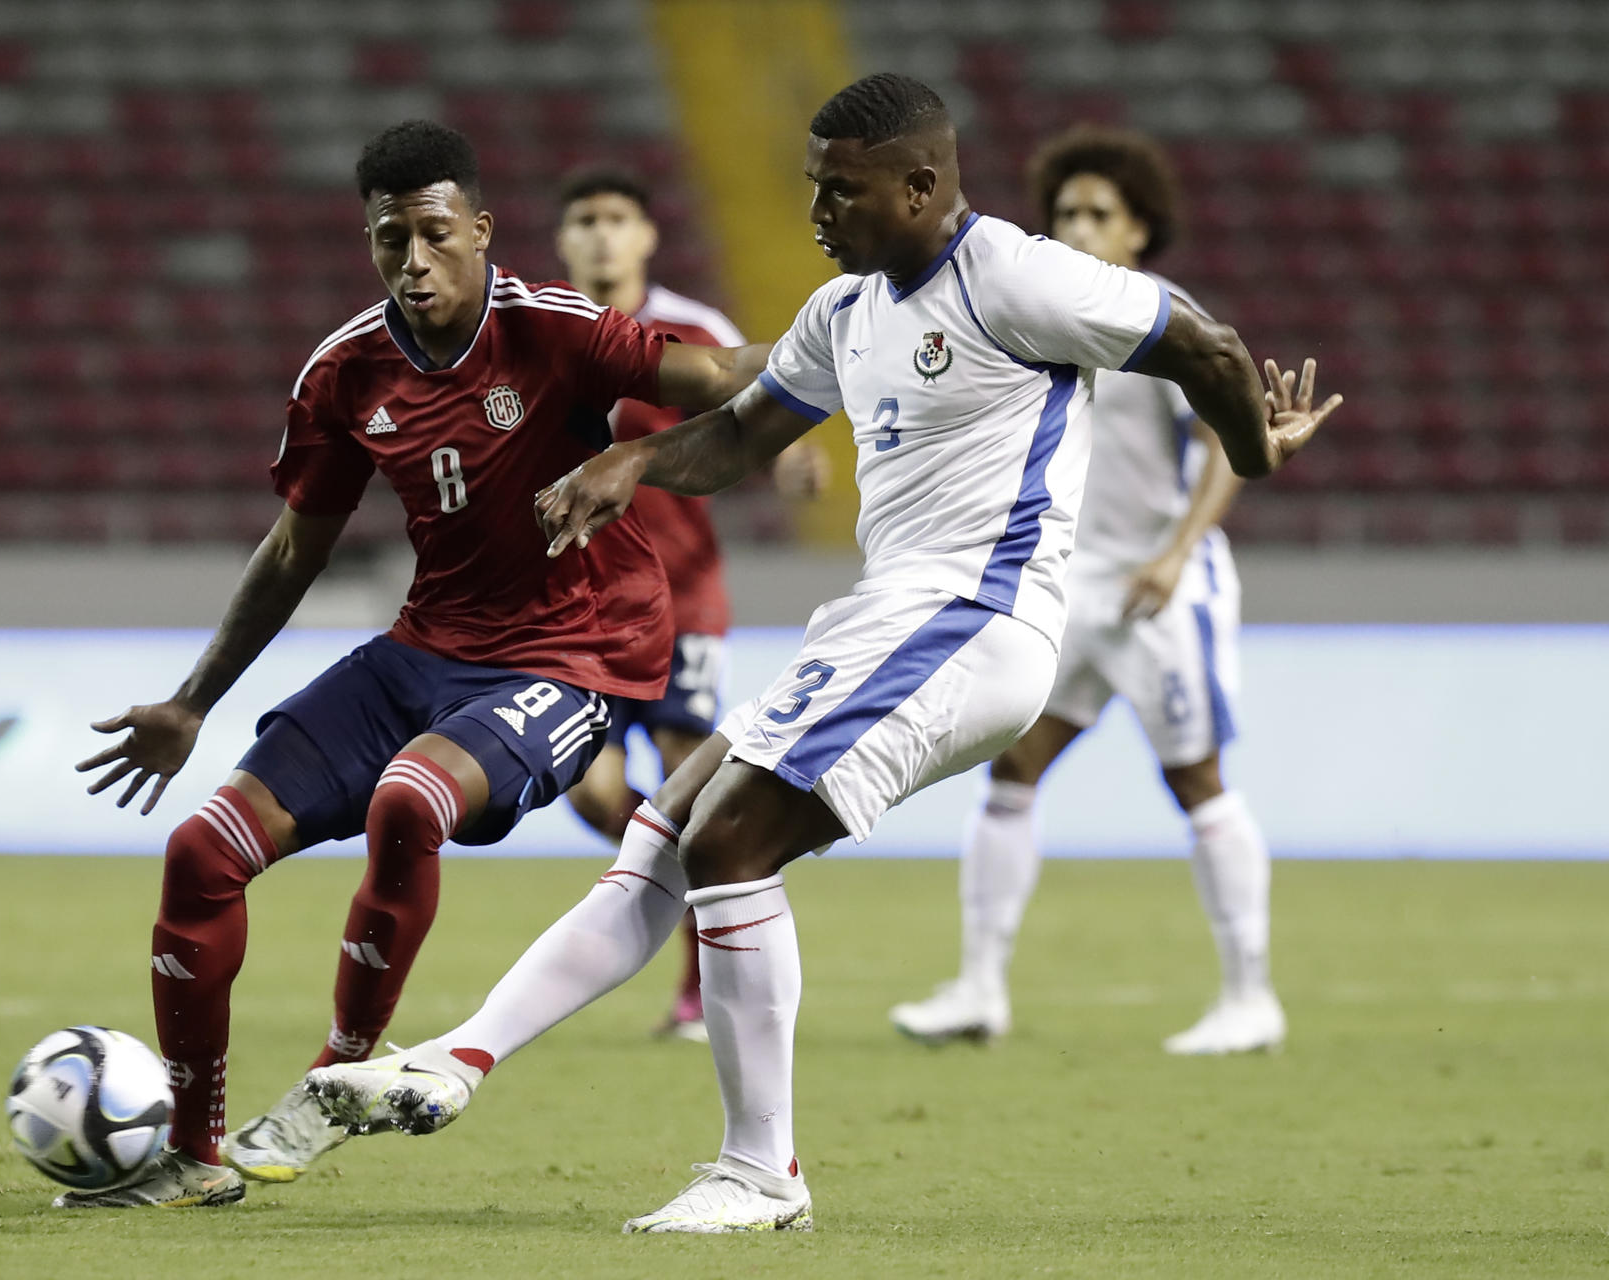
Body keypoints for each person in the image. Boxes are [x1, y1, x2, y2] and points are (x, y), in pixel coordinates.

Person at [305, 74, 1338, 1233]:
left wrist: (1252, 448)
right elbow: (742, 433)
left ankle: (761, 1171)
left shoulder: (1014, 274)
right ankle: (460, 1056)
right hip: (882, 617)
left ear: (923, 183)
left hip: (979, 616)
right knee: (668, 828)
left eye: (841, 192)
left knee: (735, 840)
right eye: (812, 188)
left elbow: (1197, 339)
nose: (818, 214)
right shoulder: (847, 312)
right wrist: (633, 463)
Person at [59, 120, 770, 1208]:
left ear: (481, 232)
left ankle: (336, 1075)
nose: (413, 260)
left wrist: (851, 341)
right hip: (427, 649)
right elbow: (297, 545)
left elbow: (719, 373)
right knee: (201, 849)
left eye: (436, 234)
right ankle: (193, 1155)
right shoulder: (345, 372)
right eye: (390, 239)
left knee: (409, 798)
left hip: (580, 649)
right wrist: (194, 701)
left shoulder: (552, 328)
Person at [890, 126, 1283, 1055]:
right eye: (1064, 210)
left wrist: (1180, 552)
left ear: (1140, 230)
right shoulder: (1042, 311)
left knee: (1197, 781)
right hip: (1070, 589)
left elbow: (1233, 441)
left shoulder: (1162, 314)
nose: (1074, 226)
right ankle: (980, 988)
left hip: (1160, 586)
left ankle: (1250, 996)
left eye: (1097, 212)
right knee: (1013, 770)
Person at [553, 169, 828, 1041]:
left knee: (689, 793)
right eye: (585, 222)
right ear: (564, 241)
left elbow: (764, 410)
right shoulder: (539, 329)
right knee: (593, 793)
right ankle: (673, 888)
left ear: (645, 238)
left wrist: (788, 468)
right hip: (576, 612)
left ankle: (696, 990)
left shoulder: (695, 331)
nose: (601, 236)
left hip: (680, 605)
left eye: (617, 220)